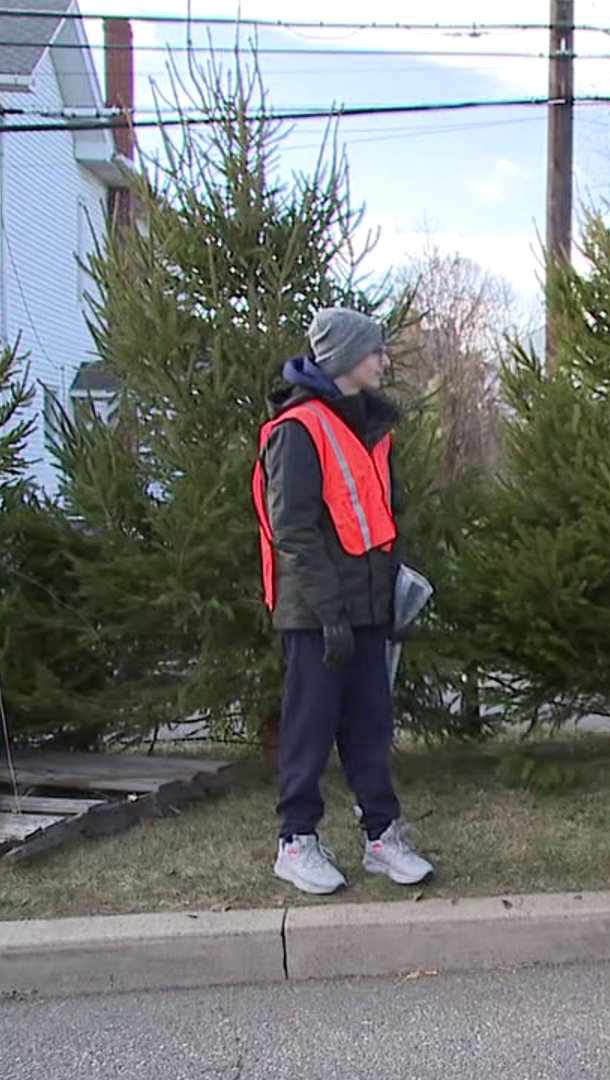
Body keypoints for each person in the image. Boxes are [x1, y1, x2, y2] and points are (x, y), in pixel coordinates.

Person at [253, 307, 434, 896]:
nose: (384, 360)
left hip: (367, 608)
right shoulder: (299, 430)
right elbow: (294, 531)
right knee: (309, 727)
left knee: (370, 727)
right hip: (316, 614)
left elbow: (378, 519)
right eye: (376, 351)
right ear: (347, 358)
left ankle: (382, 837)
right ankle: (295, 842)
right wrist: (329, 614)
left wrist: (390, 597)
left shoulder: (366, 428)